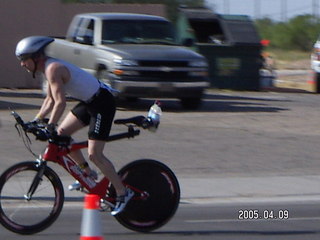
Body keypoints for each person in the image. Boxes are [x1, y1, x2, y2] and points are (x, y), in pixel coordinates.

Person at [15, 36, 133, 216]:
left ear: (36, 57)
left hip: (102, 103)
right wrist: (37, 119)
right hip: (88, 102)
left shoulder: (53, 69)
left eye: (24, 59)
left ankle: (123, 193)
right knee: (62, 134)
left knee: (95, 154)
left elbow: (60, 103)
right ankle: (87, 174)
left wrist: (51, 125)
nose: (22, 64)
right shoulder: (47, 69)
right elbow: (50, 99)